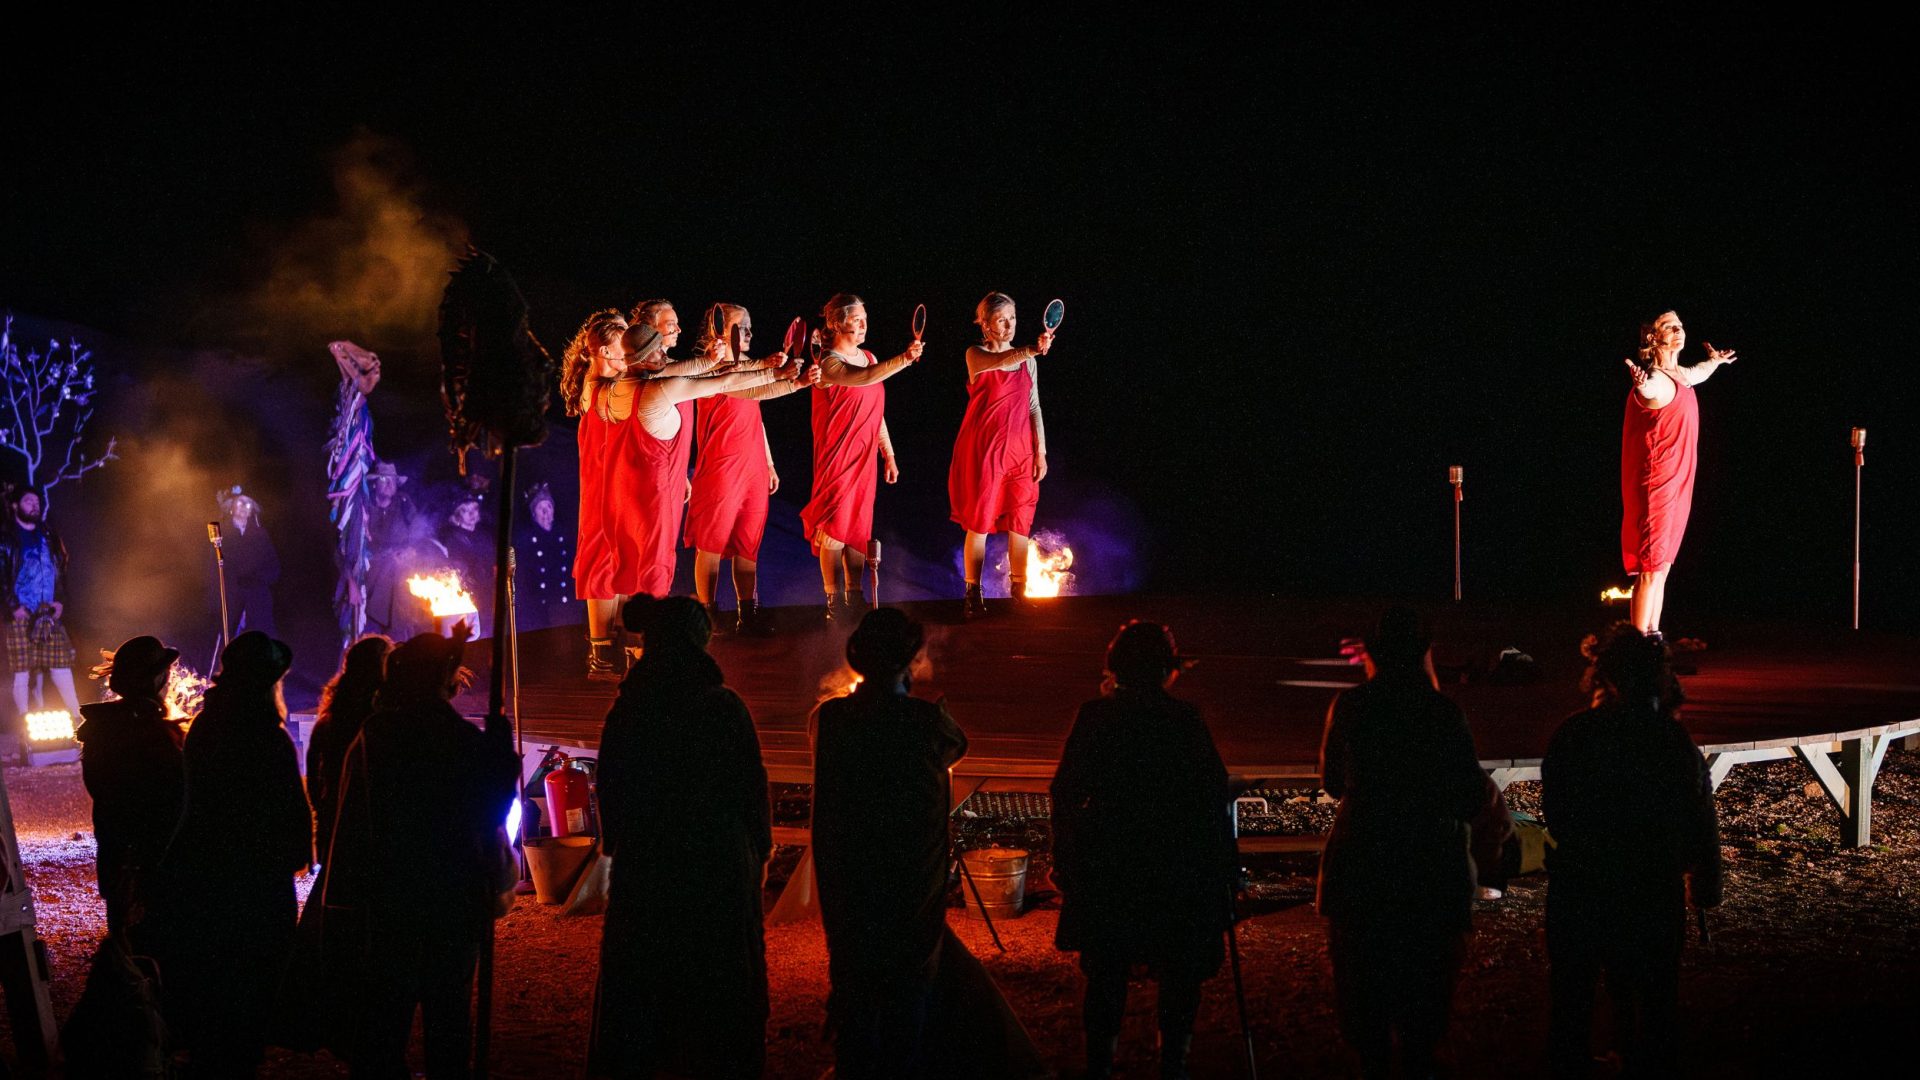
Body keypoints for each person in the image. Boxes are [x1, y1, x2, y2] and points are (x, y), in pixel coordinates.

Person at [587, 594, 772, 1078]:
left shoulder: (630, 707)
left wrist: (618, 843)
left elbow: (611, 783)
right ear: (699, 641)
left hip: (649, 861)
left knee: (645, 984)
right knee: (718, 988)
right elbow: (751, 785)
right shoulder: (721, 706)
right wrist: (759, 848)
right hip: (717, 863)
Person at [324, 625, 519, 1078]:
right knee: (442, 1011)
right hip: (443, 892)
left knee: (387, 1009)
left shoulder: (380, 729)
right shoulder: (437, 733)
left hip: (392, 892)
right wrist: (499, 751)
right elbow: (488, 803)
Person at [1316, 606, 1502, 1078]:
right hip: (1431, 866)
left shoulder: (1352, 706)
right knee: (1425, 996)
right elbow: (1466, 793)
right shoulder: (1444, 712)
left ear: (1372, 652)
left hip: (1363, 862)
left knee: (1365, 995)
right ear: (1424, 652)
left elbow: (1334, 782)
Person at [567, 306, 797, 679]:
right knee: (635, 569)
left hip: (632, 488)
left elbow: (692, 373)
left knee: (631, 570)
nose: (672, 336)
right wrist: (783, 377)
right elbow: (718, 384)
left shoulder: (622, 386)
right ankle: (628, 659)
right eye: (663, 332)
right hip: (633, 491)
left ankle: (630, 657)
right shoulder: (626, 388)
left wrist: (718, 362)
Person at [1051, 620, 1236, 1080]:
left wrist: (1068, 855)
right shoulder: (1183, 719)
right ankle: (1173, 1062)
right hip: (1174, 861)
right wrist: (1224, 867)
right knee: (1180, 971)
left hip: (1110, 859)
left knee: (1107, 971)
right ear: (1166, 670)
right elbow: (1213, 796)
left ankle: (1100, 1064)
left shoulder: (1096, 715)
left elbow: (1065, 791)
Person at [1543, 622, 1722, 1076]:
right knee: (1654, 1003)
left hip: (1582, 884)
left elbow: (1557, 812)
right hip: (1650, 888)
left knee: (1572, 1001)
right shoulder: (1671, 741)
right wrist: (1704, 882)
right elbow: (1699, 817)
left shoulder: (1574, 734)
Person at [154, 630, 312, 1077]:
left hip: (207, 864)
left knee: (218, 965)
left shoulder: (208, 722)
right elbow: (283, 801)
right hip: (252, 871)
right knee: (252, 964)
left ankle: (219, 1049)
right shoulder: (262, 731)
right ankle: (236, 1053)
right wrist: (295, 848)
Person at [686, 303, 812, 636]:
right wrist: (779, 375)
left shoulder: (750, 368)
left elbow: (755, 409)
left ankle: (748, 613)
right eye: (742, 327)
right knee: (710, 543)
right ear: (718, 330)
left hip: (752, 465)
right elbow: (748, 386)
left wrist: (768, 462)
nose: (750, 334)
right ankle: (707, 616)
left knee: (748, 541)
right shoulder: (708, 368)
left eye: (750, 327)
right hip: (720, 466)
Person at [800, 294, 924, 622]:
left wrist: (889, 454)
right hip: (836, 457)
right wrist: (904, 359)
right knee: (834, 527)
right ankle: (832, 600)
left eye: (865, 317)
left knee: (858, 527)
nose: (864, 324)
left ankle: (854, 595)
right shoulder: (827, 362)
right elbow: (865, 379)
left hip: (865, 457)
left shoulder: (869, 357)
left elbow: (875, 412)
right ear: (836, 323)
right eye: (856, 319)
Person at [1619, 310, 1736, 636]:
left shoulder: (1680, 374)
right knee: (1650, 568)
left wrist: (1714, 363)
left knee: (1663, 567)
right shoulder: (1656, 379)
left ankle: (1652, 638)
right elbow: (1650, 389)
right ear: (1654, 338)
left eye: (1680, 325)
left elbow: (1696, 373)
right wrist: (1641, 386)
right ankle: (1637, 648)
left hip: (1677, 484)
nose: (1679, 330)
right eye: (1669, 326)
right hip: (1657, 484)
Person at [948, 292, 1055, 619]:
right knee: (979, 522)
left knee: (1021, 522)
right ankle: (972, 594)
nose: (1009, 325)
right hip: (985, 452)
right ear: (985, 325)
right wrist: (1030, 349)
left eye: (1013, 318)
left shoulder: (1028, 361)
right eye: (1000, 320)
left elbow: (1034, 406)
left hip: (1021, 452)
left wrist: (1041, 450)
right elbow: (999, 363)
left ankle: (1019, 592)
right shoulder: (975, 355)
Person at [74, 635, 185, 936]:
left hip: (116, 855)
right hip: (155, 862)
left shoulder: (103, 728)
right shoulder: (150, 733)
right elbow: (172, 798)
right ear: (157, 679)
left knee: (126, 944)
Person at [305, 634, 392, 869]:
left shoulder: (329, 722)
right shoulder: (382, 724)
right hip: (376, 836)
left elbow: (314, 780)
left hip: (335, 829)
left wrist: (324, 814)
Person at [4, 486, 81, 720]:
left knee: (61, 663)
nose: (34, 505)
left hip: (47, 610)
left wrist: (60, 600)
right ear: (16, 506)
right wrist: (12, 606)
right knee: (23, 671)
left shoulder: (48, 535)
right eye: (28, 501)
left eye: (36, 501)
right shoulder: (6, 538)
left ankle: (78, 717)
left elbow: (59, 568)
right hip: (22, 611)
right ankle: (27, 722)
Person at [216, 484, 281, 638]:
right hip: (230, 601)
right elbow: (212, 571)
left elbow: (274, 567)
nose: (244, 506)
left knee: (264, 642)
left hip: (258, 600)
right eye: (240, 502)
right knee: (230, 644)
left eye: (248, 503)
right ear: (231, 506)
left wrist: (257, 579)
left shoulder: (261, 535)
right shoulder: (219, 535)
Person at [513, 482, 576, 630]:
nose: (546, 512)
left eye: (548, 506)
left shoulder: (564, 534)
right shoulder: (525, 538)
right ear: (533, 512)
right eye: (540, 508)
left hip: (565, 604)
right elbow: (522, 576)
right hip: (539, 608)